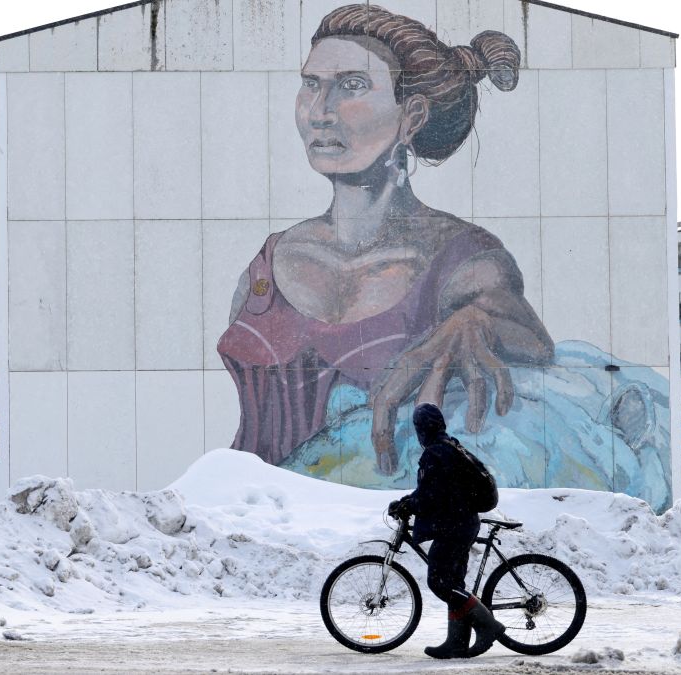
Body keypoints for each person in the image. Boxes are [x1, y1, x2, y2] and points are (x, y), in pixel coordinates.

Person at [216, 4, 553, 475]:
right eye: (310, 84)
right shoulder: (268, 264)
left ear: (411, 116)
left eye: (351, 86)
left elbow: (532, 340)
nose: (319, 112)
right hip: (256, 522)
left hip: (378, 518)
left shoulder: (461, 256)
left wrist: (474, 321)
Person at [389, 404, 503, 659]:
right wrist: (411, 501)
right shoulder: (449, 446)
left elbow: (431, 493)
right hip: (461, 522)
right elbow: (438, 489)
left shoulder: (436, 453)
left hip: (454, 525)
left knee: (439, 582)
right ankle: (457, 643)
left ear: (423, 428)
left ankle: (488, 626)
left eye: (418, 427)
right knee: (453, 583)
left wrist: (408, 504)